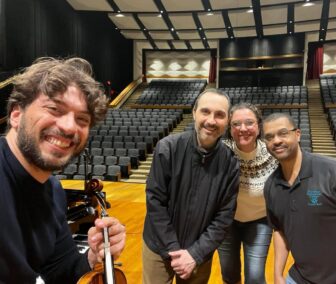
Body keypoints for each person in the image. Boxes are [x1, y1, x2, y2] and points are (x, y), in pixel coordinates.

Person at [0, 57, 126, 283]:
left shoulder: (54, 191)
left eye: (82, 119)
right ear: (16, 114)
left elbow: (59, 270)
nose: (69, 127)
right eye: (54, 109)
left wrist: (93, 255)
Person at [262, 113, 336, 284]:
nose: (276, 141)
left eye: (283, 133)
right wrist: (277, 274)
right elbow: (280, 230)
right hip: (301, 278)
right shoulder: (271, 186)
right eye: (269, 137)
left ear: (297, 134)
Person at [142, 89, 240, 284]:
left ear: (227, 120)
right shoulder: (167, 148)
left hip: (199, 252)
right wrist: (175, 249)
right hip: (158, 245)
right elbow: (155, 203)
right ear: (194, 112)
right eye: (205, 111)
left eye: (219, 115)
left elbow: (224, 217)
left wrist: (195, 253)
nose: (211, 120)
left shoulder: (230, 162)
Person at [218, 103, 278, 284]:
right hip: (226, 222)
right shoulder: (221, 151)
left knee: (255, 277)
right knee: (229, 274)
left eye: (249, 123)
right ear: (230, 128)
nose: (242, 129)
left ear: (259, 127)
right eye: (236, 124)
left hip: (260, 221)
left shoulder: (273, 152)